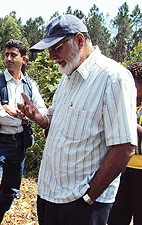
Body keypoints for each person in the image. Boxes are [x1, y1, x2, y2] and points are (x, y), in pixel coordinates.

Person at [17, 14, 137, 225]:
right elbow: (57, 127)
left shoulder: (113, 78)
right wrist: (40, 119)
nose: (51, 56)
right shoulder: (67, 77)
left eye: (57, 48)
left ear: (80, 40)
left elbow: (124, 146)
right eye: (49, 50)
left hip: (83, 204)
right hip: (50, 194)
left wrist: (89, 196)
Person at [0, 40, 47, 225]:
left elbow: (42, 112)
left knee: (10, 192)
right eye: (6, 54)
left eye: (13, 55)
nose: (8, 58)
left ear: (23, 59)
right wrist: (23, 118)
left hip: (19, 145)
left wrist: (14, 112)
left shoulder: (30, 85)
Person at [108, 62, 142, 225]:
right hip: (122, 168)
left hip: (140, 171)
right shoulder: (125, 103)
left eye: (134, 84)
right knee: (117, 215)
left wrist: (130, 124)